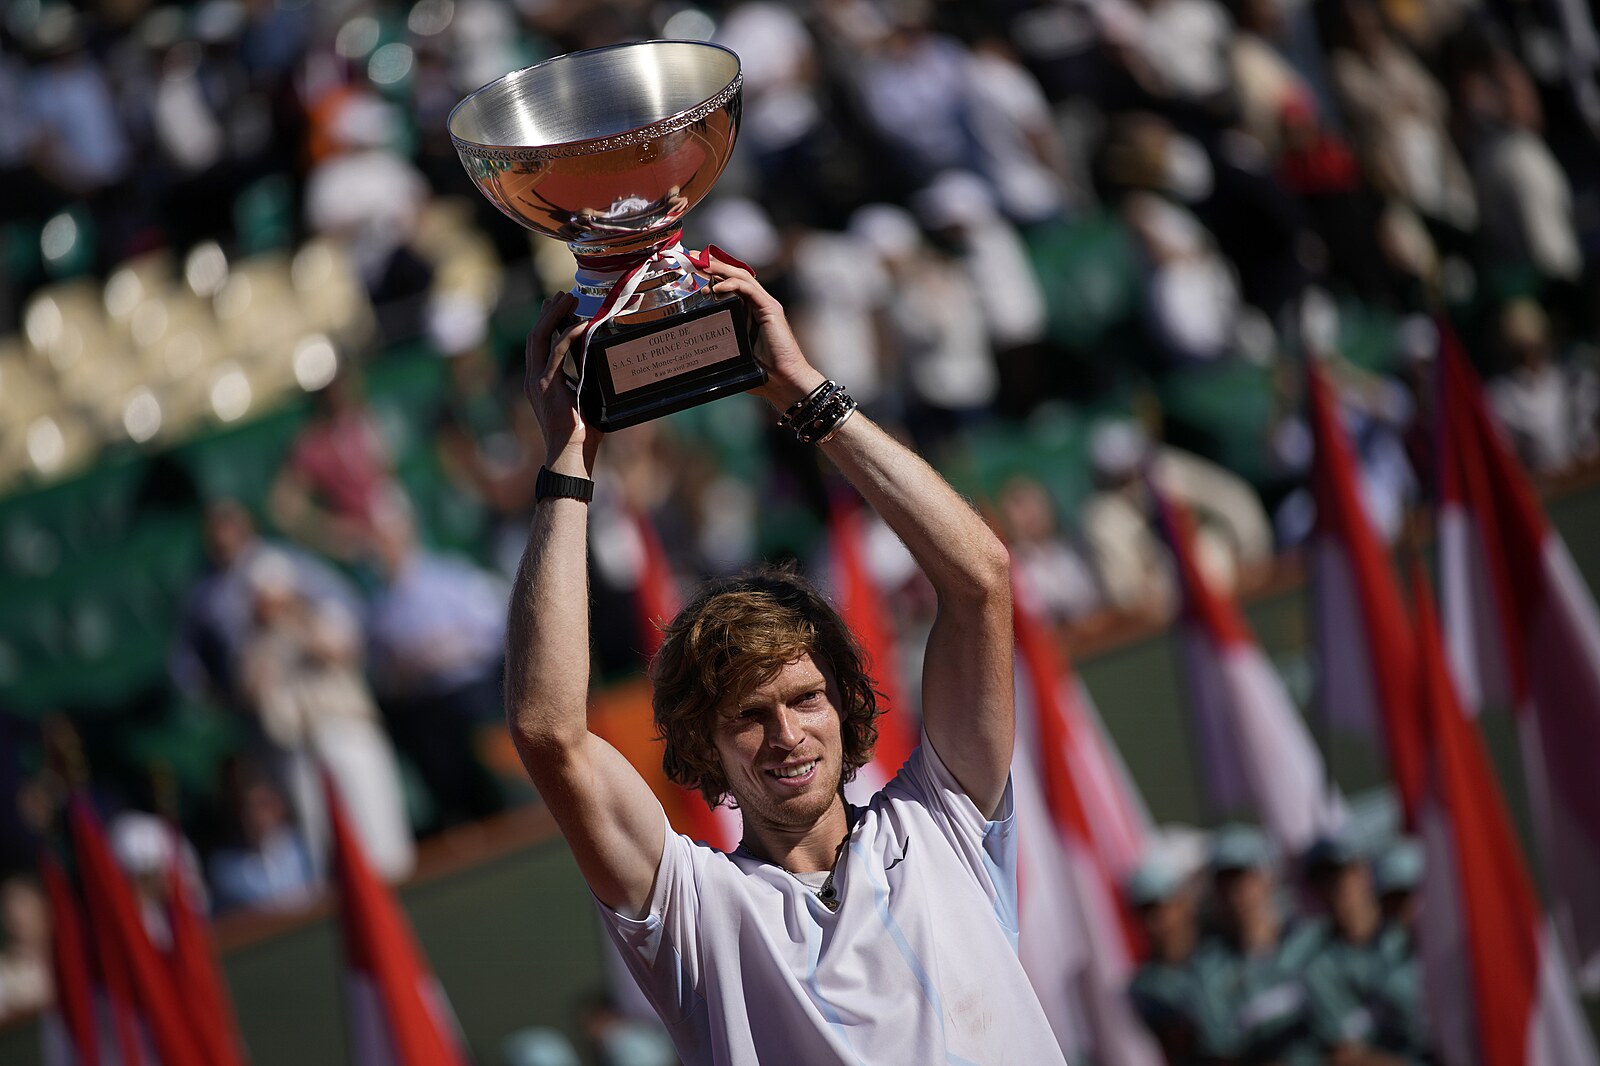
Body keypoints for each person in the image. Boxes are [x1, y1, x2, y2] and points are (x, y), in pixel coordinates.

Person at [505, 257, 1066, 1064]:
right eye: (747, 715)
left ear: (845, 701)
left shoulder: (943, 820)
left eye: (805, 698)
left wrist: (800, 389)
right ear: (705, 746)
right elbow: (549, 731)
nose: (786, 734)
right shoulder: (695, 912)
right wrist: (569, 455)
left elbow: (980, 579)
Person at [1196, 824, 1324, 1065]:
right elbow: (1222, 1053)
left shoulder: (1312, 942)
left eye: (1245, 879)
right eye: (1225, 884)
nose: (1236, 894)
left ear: (1268, 879)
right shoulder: (1209, 973)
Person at [1300, 833, 1432, 1064]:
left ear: (1364, 871)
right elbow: (1345, 1055)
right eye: (1324, 880)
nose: (1336, 886)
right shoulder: (1320, 969)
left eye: (1343, 873)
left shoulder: (1406, 923)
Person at [1125, 855, 1233, 1064]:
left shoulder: (1226, 954)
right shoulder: (1145, 989)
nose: (1154, 922)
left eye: (1161, 907)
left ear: (1184, 902)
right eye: (1144, 911)